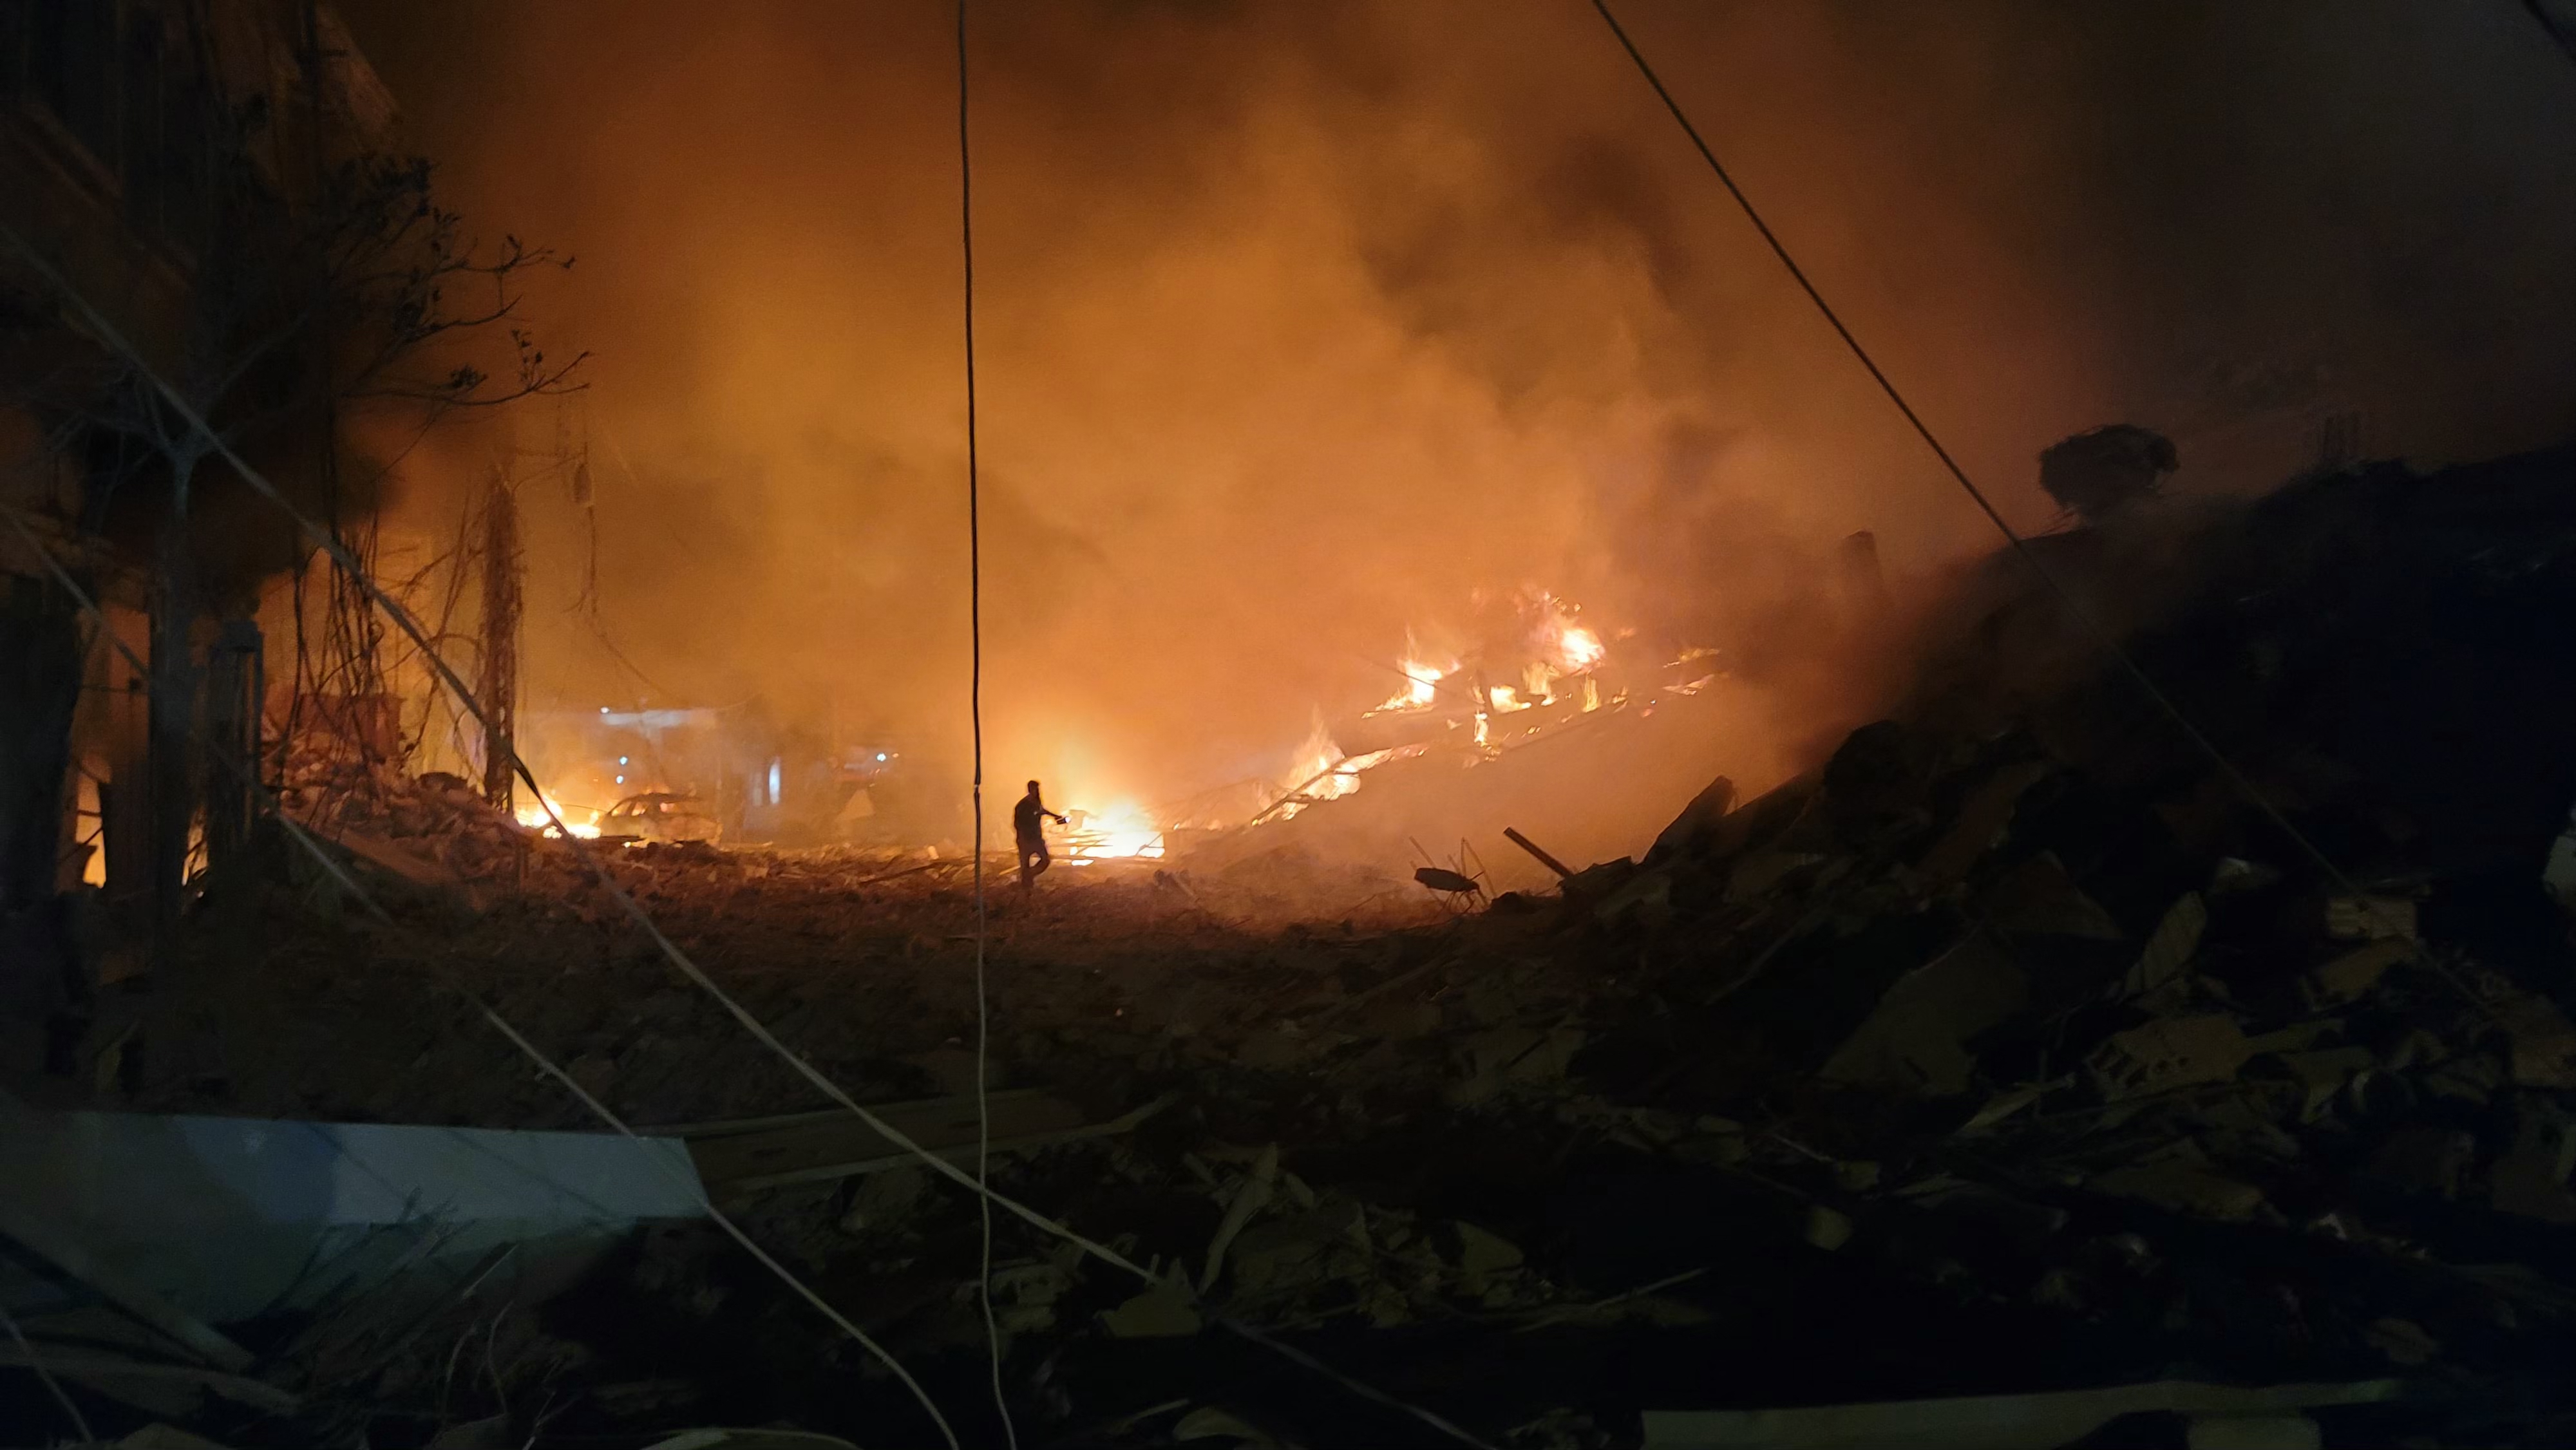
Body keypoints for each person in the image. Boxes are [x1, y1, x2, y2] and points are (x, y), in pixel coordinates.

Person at [1014, 779, 1066, 890]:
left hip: (1035, 838)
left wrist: (1056, 817)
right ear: (1030, 789)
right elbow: (1018, 823)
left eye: (1037, 789)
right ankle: (1027, 891)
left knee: (1045, 860)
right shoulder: (1023, 805)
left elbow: (1042, 810)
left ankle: (1029, 876)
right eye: (1035, 789)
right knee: (1025, 865)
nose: (1037, 791)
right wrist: (1025, 836)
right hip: (1026, 840)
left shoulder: (1035, 802)